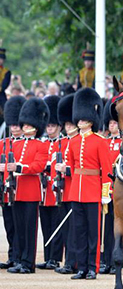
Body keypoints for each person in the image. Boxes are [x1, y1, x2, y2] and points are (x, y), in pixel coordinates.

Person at [55, 88, 112, 280]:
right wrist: (63, 168)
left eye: (83, 119)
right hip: (76, 192)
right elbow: (71, 166)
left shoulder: (100, 142)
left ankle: (92, 267)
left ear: (91, 119)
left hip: (93, 191)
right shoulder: (73, 142)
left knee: (93, 233)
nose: (79, 122)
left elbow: (106, 170)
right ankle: (81, 267)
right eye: (78, 119)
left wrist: (106, 192)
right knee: (78, 231)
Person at [4, 98, 50, 274]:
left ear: (35, 126)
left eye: (27, 124)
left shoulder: (41, 145)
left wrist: (19, 167)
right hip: (17, 191)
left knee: (30, 230)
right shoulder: (16, 145)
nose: (23, 127)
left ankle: (28, 263)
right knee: (20, 228)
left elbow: (38, 166)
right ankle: (20, 260)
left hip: (31, 192)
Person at [37, 95, 65, 270]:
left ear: (59, 126)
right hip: (43, 189)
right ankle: (47, 256)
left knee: (57, 225)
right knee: (45, 225)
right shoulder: (43, 142)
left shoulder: (63, 143)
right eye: (47, 125)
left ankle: (55, 258)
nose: (49, 128)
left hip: (57, 190)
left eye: (52, 125)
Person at [54, 94, 79, 275]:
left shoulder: (80, 141)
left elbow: (83, 166)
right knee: (65, 228)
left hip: (76, 189)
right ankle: (68, 261)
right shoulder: (62, 142)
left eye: (71, 124)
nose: (68, 127)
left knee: (75, 229)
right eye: (67, 124)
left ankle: (74, 262)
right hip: (63, 189)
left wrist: (67, 169)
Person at [0, 96, 26, 269]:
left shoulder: (26, 143)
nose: (15, 128)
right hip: (5, 190)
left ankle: (19, 256)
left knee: (19, 225)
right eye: (13, 125)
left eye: (18, 125)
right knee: (9, 225)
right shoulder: (3, 143)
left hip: (20, 189)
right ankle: (12, 255)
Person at [100, 100, 122, 274]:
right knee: (106, 227)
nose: (112, 125)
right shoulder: (105, 142)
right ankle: (105, 260)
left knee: (118, 227)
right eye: (110, 123)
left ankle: (115, 261)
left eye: (115, 123)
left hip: (120, 189)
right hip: (106, 188)